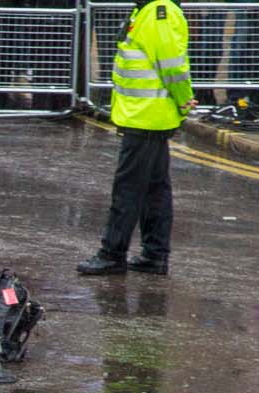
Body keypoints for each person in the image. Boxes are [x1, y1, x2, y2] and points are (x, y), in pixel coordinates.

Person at [77, 0, 191, 277]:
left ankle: (112, 253)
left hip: (147, 115)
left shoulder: (159, 12)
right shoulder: (149, 10)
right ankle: (155, 254)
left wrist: (185, 99)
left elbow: (172, 66)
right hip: (147, 115)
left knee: (128, 189)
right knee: (155, 189)